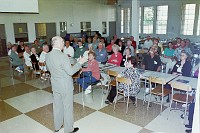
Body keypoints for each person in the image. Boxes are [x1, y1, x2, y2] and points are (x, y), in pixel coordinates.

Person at [45, 36, 86, 133]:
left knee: (57, 107)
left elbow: (48, 68)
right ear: (57, 43)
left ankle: (57, 127)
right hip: (66, 86)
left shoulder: (48, 55)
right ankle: (68, 129)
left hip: (55, 85)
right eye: (62, 41)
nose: (64, 43)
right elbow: (71, 72)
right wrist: (80, 62)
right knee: (67, 107)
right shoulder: (63, 56)